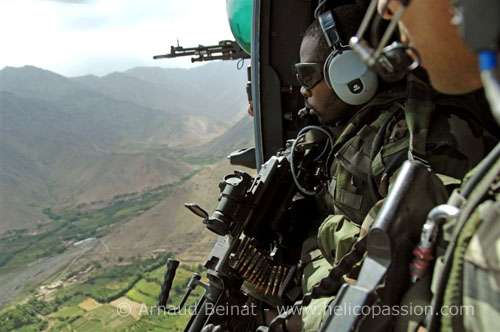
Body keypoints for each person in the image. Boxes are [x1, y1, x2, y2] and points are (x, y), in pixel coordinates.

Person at [294, 2, 498, 332]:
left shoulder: (421, 137)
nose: (302, 89)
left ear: (348, 72)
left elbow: (404, 292)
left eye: (307, 74)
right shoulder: (365, 127)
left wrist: (302, 317)